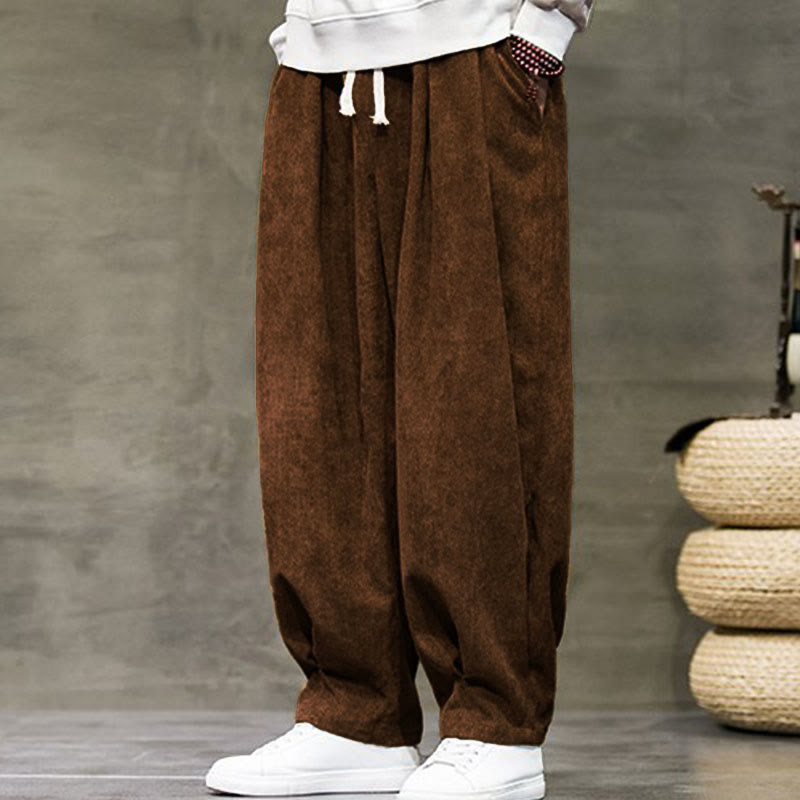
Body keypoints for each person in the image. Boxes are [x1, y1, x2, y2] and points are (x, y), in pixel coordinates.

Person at [206, 1, 594, 797]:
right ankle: (354, 713)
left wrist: (545, 25)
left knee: (474, 401)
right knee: (317, 405)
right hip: (317, 66)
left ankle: (496, 720)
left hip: (478, 50)